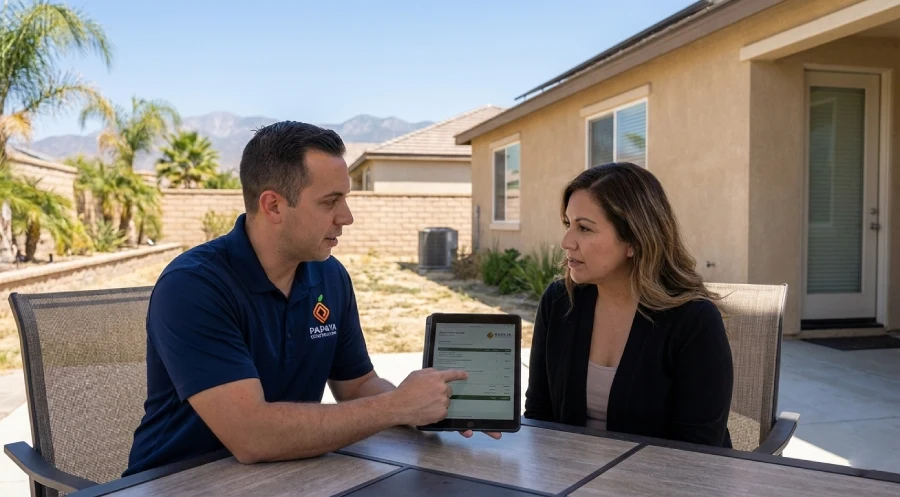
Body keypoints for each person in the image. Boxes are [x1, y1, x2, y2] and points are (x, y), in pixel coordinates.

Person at [125, 121, 496, 477]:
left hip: (290, 476)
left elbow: (357, 386)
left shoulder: (329, 277)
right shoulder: (194, 286)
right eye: (330, 201)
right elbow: (252, 436)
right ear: (273, 206)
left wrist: (427, 407)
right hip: (175, 482)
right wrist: (396, 407)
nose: (346, 217)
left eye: (345, 199)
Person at [524, 162, 734, 448]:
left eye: (584, 228)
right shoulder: (559, 302)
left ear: (634, 240)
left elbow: (697, 449)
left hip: (665, 475)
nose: (566, 242)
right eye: (568, 224)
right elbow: (539, 416)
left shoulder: (693, 321)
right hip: (567, 471)